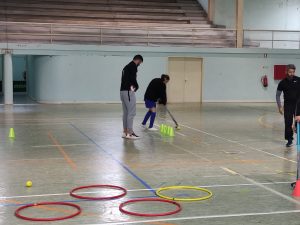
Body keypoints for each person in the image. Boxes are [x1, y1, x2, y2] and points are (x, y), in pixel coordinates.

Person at [276, 64, 300, 147]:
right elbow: (277, 95)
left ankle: (297, 130)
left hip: (298, 105)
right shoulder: (282, 82)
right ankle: (289, 139)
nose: (292, 74)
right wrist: (279, 106)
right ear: (286, 72)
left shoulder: (298, 80)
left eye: (293, 72)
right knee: (288, 123)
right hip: (288, 105)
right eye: (290, 72)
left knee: (298, 121)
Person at [120, 55, 143, 139]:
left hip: (122, 91)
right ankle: (130, 133)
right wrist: (136, 87)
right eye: (140, 63)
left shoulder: (126, 67)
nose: (139, 65)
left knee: (126, 112)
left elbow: (126, 79)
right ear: (138, 60)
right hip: (129, 92)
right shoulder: (133, 66)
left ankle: (125, 132)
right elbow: (133, 79)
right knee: (131, 112)